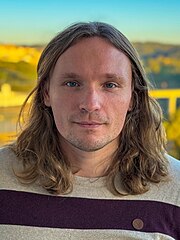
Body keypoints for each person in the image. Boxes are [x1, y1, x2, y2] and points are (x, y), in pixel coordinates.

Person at [0, 22, 179, 240]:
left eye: (110, 85)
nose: (91, 103)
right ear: (46, 93)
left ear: (133, 96)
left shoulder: (175, 189)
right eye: (72, 83)